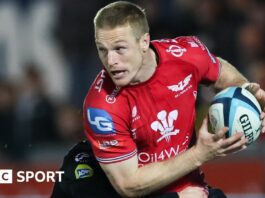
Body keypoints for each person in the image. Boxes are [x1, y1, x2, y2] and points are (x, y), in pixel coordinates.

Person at [82, 1, 265, 197]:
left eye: (119, 49)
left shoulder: (186, 54)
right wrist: (199, 155)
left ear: (144, 42)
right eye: (102, 50)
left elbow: (218, 70)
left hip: (195, 191)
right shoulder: (101, 107)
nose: (110, 61)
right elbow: (129, 185)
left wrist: (245, 92)